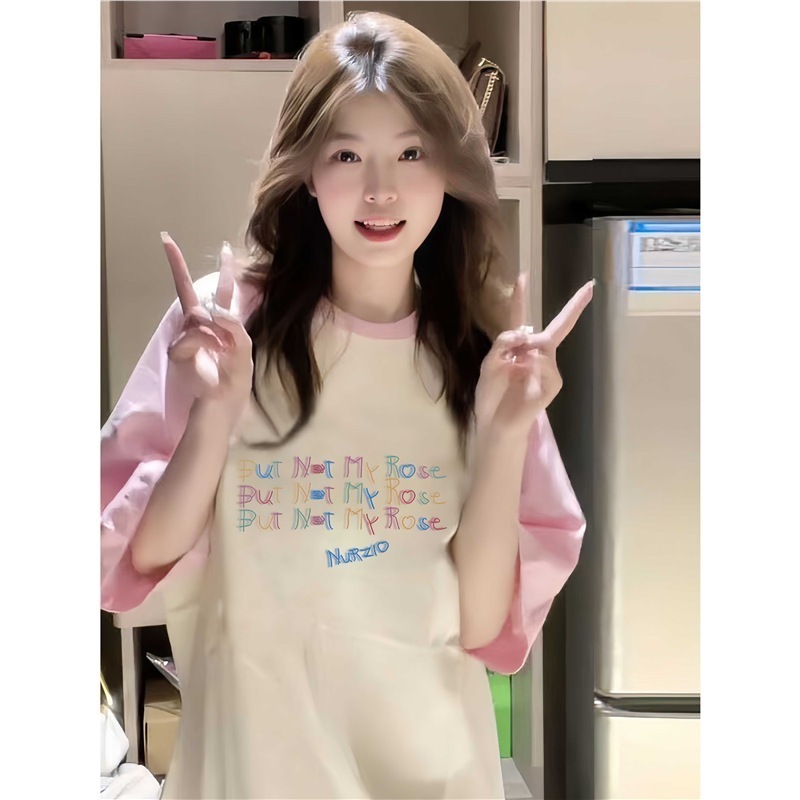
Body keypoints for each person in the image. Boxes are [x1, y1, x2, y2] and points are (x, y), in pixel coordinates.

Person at [100, 11, 591, 799]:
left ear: (449, 169)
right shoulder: (228, 327)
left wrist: (505, 434)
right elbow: (145, 561)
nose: (380, 189)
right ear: (306, 170)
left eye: (411, 152)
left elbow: (476, 627)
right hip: (256, 773)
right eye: (347, 154)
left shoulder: (481, 358)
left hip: (431, 772)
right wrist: (215, 415)